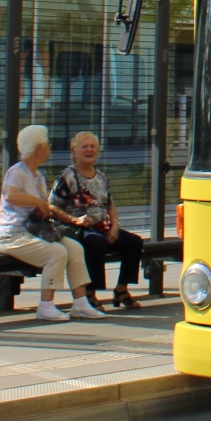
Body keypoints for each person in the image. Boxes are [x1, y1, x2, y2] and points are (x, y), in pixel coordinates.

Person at [0, 124, 99, 321]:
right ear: (38, 148)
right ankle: (46, 305)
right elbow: (10, 195)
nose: (50, 149)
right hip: (13, 235)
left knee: (75, 249)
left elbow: (43, 207)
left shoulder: (38, 176)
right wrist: (37, 202)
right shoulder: (16, 172)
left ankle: (80, 303)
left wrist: (44, 210)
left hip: (34, 232)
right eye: (47, 145)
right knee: (57, 253)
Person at [53, 131, 145, 309]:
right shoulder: (67, 177)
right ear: (74, 151)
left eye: (93, 146)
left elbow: (110, 204)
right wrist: (75, 220)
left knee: (134, 242)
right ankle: (90, 293)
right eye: (84, 147)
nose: (89, 150)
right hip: (78, 230)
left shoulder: (101, 176)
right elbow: (52, 207)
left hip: (103, 227)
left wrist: (115, 227)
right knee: (96, 242)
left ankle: (121, 290)